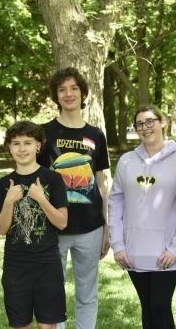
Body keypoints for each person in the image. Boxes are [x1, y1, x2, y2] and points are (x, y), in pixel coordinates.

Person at [108, 106, 176, 329]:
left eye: (150, 121)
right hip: (134, 251)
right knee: (147, 307)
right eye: (139, 124)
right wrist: (118, 245)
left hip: (165, 253)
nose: (145, 128)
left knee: (160, 306)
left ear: (162, 122)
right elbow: (115, 203)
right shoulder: (127, 161)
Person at [37, 67, 110, 329]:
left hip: (90, 226)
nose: (68, 94)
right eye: (62, 90)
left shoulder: (95, 135)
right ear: (56, 96)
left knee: (87, 294)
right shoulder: (43, 134)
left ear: (82, 93)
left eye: (74, 88)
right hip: (54, 225)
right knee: (53, 292)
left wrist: (106, 227)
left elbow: (101, 182)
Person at [0, 121, 68, 329]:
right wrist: (8, 201)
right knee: (21, 324)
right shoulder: (3, 184)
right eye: (16, 143)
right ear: (9, 147)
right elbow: (1, 229)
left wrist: (41, 199)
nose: (22, 148)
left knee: (47, 325)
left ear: (38, 146)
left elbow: (62, 222)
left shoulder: (53, 179)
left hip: (47, 264)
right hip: (16, 265)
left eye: (28, 142)